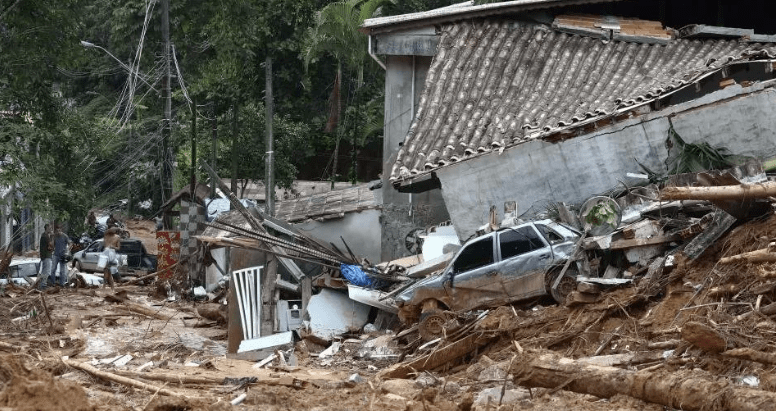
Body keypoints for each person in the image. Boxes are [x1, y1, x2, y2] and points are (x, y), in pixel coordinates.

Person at [38, 224, 53, 289]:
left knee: (45, 271)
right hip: (47, 256)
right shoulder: (46, 236)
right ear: (47, 228)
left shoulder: (43, 235)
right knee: (46, 271)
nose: (51, 229)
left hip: (45, 256)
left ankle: (43, 284)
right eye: (50, 228)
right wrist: (52, 237)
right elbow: (50, 246)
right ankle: (43, 285)